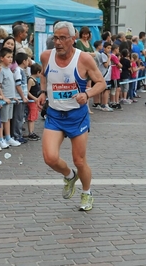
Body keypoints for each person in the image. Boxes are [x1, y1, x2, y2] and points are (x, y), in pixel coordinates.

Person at [37, 21, 106, 211]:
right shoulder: (45, 56)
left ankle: (87, 192)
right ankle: (69, 175)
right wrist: (43, 92)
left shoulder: (83, 59)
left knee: (79, 160)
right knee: (50, 158)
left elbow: (101, 82)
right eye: (55, 38)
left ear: (72, 39)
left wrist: (87, 94)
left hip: (77, 116)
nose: (57, 42)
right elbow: (44, 74)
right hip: (55, 115)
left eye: (62, 38)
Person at [0, 47, 21, 148]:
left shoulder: (9, 70)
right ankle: (0, 138)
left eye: (11, 57)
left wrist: (13, 96)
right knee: (2, 119)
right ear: (1, 58)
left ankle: (8, 137)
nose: (10, 59)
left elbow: (11, 84)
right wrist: (2, 98)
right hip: (5, 99)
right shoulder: (0, 71)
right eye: (8, 57)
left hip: (10, 99)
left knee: (8, 119)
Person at [12, 52, 29, 144]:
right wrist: (23, 97)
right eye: (27, 60)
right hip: (19, 98)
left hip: (22, 97)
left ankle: (18, 134)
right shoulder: (18, 71)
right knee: (18, 117)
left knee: (20, 116)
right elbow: (18, 85)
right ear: (24, 61)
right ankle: (16, 135)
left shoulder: (21, 70)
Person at [26, 63, 42, 140]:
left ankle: (32, 131)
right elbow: (27, 91)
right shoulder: (31, 80)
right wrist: (34, 98)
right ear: (38, 72)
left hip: (35, 101)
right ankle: (30, 132)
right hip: (32, 101)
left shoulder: (34, 80)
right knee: (32, 116)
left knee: (34, 115)